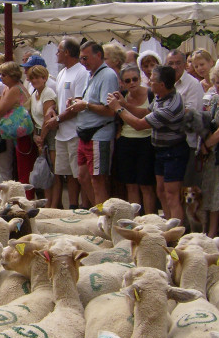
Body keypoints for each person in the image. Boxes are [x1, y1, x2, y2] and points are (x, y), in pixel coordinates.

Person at [107, 64, 189, 222]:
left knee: (171, 194)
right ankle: (166, 227)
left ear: (162, 85)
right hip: (161, 150)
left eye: (152, 81)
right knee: (162, 192)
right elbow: (145, 113)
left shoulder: (171, 105)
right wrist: (124, 105)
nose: (149, 83)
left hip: (174, 152)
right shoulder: (161, 96)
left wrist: (118, 108)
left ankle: (177, 232)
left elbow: (139, 125)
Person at [43, 37, 88, 210]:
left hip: (75, 131)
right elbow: (60, 99)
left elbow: (78, 104)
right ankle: (73, 205)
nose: (56, 54)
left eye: (59, 51)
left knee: (80, 175)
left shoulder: (81, 72)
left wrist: (59, 119)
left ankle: (83, 207)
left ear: (67, 52)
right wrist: (52, 109)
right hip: (62, 132)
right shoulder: (62, 73)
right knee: (66, 173)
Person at [73, 42, 119, 207]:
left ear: (98, 55)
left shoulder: (107, 75)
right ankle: (99, 211)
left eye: (85, 58)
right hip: (85, 133)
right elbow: (90, 101)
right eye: (81, 59)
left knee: (97, 180)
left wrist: (85, 105)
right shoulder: (90, 74)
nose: (83, 62)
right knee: (83, 177)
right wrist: (79, 102)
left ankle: (104, 218)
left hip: (99, 134)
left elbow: (111, 110)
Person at [110, 63, 157, 214]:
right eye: (128, 81)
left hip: (146, 141)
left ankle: (150, 220)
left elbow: (145, 115)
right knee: (130, 185)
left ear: (140, 79)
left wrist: (124, 105)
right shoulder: (122, 96)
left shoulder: (150, 93)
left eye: (135, 79)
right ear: (122, 83)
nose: (132, 83)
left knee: (146, 185)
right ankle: (135, 219)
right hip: (126, 141)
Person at [0, 61, 32, 190]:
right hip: (13, 131)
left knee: (12, 167)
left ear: (12, 75)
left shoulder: (15, 89)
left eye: (4, 75)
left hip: (18, 132)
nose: (2, 77)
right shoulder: (9, 88)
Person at [200, 61, 219, 239]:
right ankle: (210, 233)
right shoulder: (216, 101)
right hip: (213, 155)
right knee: (211, 194)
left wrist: (205, 146)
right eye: (217, 82)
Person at [166, 49, 204, 185]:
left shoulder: (193, 85)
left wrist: (166, 113)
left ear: (185, 64)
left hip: (187, 144)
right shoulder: (165, 84)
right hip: (168, 143)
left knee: (185, 188)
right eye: (171, 63)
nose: (175, 67)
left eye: (178, 63)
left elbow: (192, 114)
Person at [27, 64, 57, 206]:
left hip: (49, 134)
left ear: (44, 78)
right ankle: (47, 202)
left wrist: (42, 138)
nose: (34, 81)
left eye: (37, 77)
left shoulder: (48, 93)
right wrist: (35, 135)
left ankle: (54, 205)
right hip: (38, 133)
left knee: (52, 171)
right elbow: (33, 117)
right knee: (44, 171)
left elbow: (47, 118)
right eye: (32, 78)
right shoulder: (34, 95)